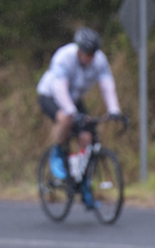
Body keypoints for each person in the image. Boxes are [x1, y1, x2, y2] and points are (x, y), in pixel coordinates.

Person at [37, 27, 123, 209]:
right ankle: (57, 154)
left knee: (87, 136)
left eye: (93, 54)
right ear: (79, 50)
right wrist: (72, 112)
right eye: (87, 54)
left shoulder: (99, 60)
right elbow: (60, 89)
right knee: (66, 119)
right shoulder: (64, 57)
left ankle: (82, 184)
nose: (90, 58)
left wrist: (114, 109)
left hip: (74, 98)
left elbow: (107, 85)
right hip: (50, 95)